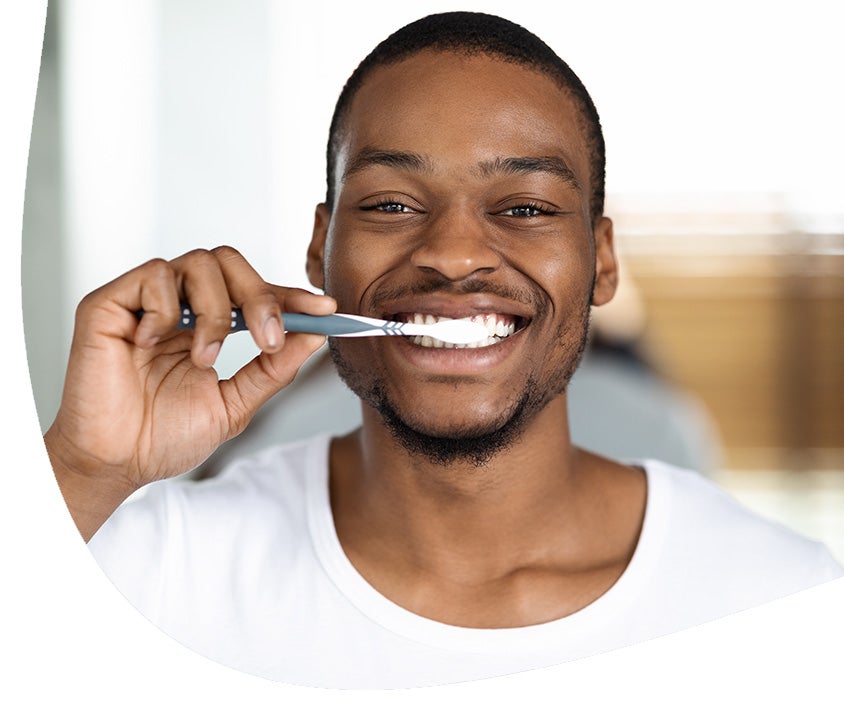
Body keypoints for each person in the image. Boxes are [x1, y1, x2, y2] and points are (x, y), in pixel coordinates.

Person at [44, 11, 841, 689]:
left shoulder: (789, 608)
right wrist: (82, 467)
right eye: (391, 203)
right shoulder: (145, 571)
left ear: (602, 260)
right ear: (322, 248)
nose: (456, 254)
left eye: (525, 206)